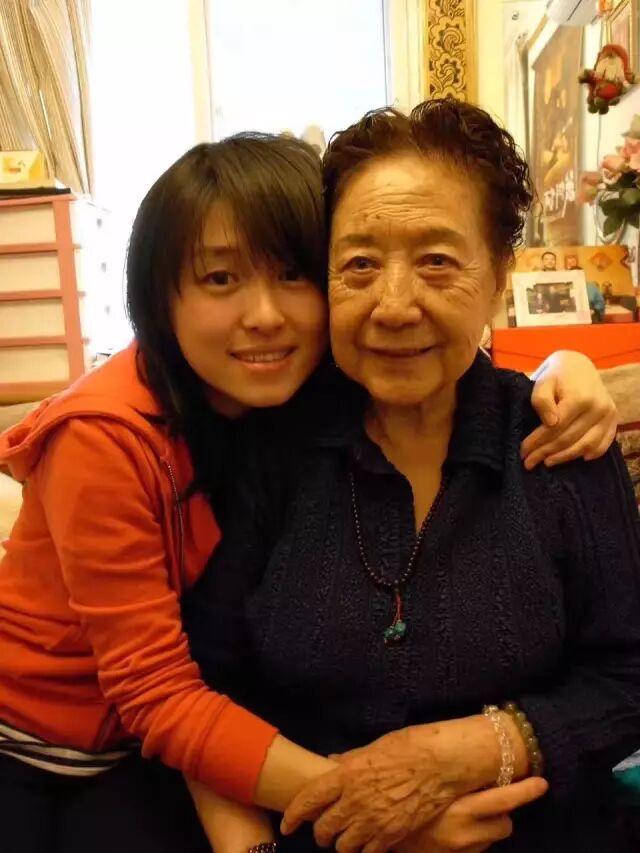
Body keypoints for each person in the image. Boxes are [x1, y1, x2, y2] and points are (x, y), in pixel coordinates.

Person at [0, 132, 617, 853]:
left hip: (173, 747)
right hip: (46, 739)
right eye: (220, 279)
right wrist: (383, 808)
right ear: (159, 297)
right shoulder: (118, 437)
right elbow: (169, 691)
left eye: (293, 273)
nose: (265, 316)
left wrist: (563, 362)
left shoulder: (289, 400)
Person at [185, 100, 640, 853]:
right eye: (360, 265)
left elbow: (627, 674)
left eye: (437, 261)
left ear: (499, 278)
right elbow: (205, 683)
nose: (394, 306)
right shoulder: (268, 447)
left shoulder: (562, 440)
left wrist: (479, 746)